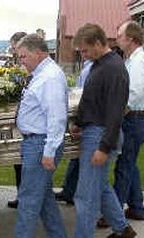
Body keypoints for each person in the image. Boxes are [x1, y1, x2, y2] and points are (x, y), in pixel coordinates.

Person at [58, 24, 137, 238]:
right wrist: (81, 123)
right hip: (93, 131)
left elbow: (115, 113)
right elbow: (93, 101)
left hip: (101, 135)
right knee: (100, 187)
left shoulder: (114, 69)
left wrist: (104, 147)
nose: (83, 55)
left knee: (85, 193)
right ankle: (123, 228)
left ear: (97, 44)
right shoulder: (100, 65)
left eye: (84, 50)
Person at [0, 34, 68, 238]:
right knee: (43, 194)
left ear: (38, 52)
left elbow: (56, 118)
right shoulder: (42, 74)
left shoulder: (50, 78)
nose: (21, 61)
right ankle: (58, 237)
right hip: (35, 141)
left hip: (40, 143)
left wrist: (48, 151)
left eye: (23, 56)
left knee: (28, 195)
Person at [114, 20, 144, 221]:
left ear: (130, 38)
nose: (117, 39)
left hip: (134, 120)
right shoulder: (131, 60)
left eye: (120, 35)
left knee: (124, 166)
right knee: (130, 164)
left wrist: (114, 116)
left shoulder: (138, 61)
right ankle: (137, 208)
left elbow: (133, 94)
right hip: (136, 120)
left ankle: (113, 214)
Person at [55, 59, 93, 205]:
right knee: (76, 160)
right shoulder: (91, 68)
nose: (81, 54)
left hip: (87, 121)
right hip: (85, 119)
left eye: (84, 50)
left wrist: (78, 123)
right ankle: (69, 191)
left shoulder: (91, 69)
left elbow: (84, 97)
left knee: (89, 170)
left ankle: (72, 192)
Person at [6, 31, 27, 209]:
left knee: (23, 164)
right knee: (17, 163)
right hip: (18, 121)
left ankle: (25, 196)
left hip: (26, 123)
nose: (13, 51)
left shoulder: (27, 67)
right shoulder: (16, 64)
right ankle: (22, 195)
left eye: (14, 47)